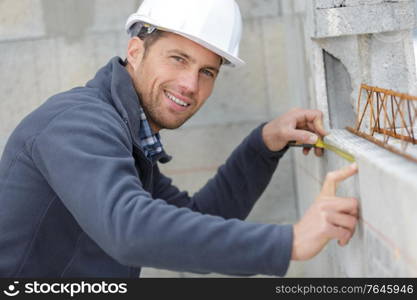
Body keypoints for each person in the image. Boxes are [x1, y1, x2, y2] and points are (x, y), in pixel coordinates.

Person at [0, 0, 358, 277]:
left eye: (206, 71)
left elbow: (199, 217)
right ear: (136, 52)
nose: (190, 85)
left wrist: (262, 145)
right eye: (177, 58)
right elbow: (130, 229)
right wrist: (291, 241)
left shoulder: (128, 140)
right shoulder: (78, 124)